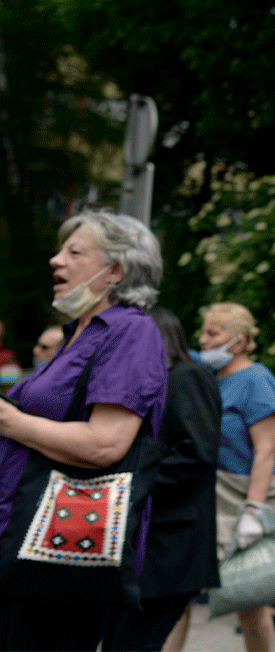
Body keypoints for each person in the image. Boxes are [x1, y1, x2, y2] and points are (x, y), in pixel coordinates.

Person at [0, 210, 167, 651]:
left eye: (74, 252)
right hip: (22, 536)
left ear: (116, 270)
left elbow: (106, 443)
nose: (56, 261)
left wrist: (10, 421)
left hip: (59, 549)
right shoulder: (76, 331)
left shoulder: (131, 332)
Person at [101, 307, 222, 652]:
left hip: (172, 541)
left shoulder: (187, 377)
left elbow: (196, 453)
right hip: (147, 540)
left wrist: (126, 486)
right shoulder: (152, 382)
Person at [198, 302, 275, 652]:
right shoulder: (210, 380)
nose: (203, 340)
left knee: (249, 599)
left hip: (242, 498)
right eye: (204, 331)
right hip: (210, 498)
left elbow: (266, 451)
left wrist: (254, 509)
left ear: (238, 342)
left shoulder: (257, 380)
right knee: (179, 600)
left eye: (213, 332)